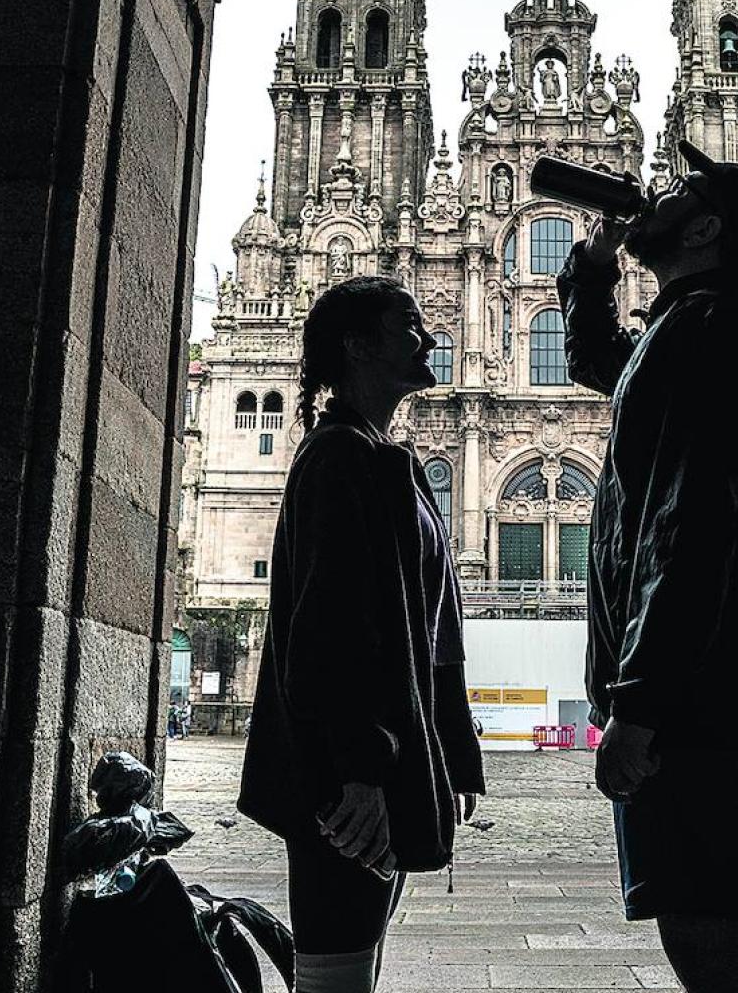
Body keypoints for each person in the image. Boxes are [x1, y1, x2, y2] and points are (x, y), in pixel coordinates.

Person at [556, 140, 738, 993]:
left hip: (691, 691)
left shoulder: (713, 329)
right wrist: (593, 271)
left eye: (677, 191)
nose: (653, 194)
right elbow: (602, 368)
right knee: (737, 914)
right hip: (708, 679)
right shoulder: (698, 323)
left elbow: (689, 527)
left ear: (703, 229)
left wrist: (642, 704)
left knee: (710, 936)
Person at [238, 275, 485, 993]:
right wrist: (358, 771)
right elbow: (328, 631)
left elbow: (434, 629)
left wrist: (456, 751)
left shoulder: (387, 461)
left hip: (390, 761)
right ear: (357, 346)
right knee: (336, 968)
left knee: (357, 958)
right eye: (409, 323)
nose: (432, 334)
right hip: (349, 775)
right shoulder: (338, 458)